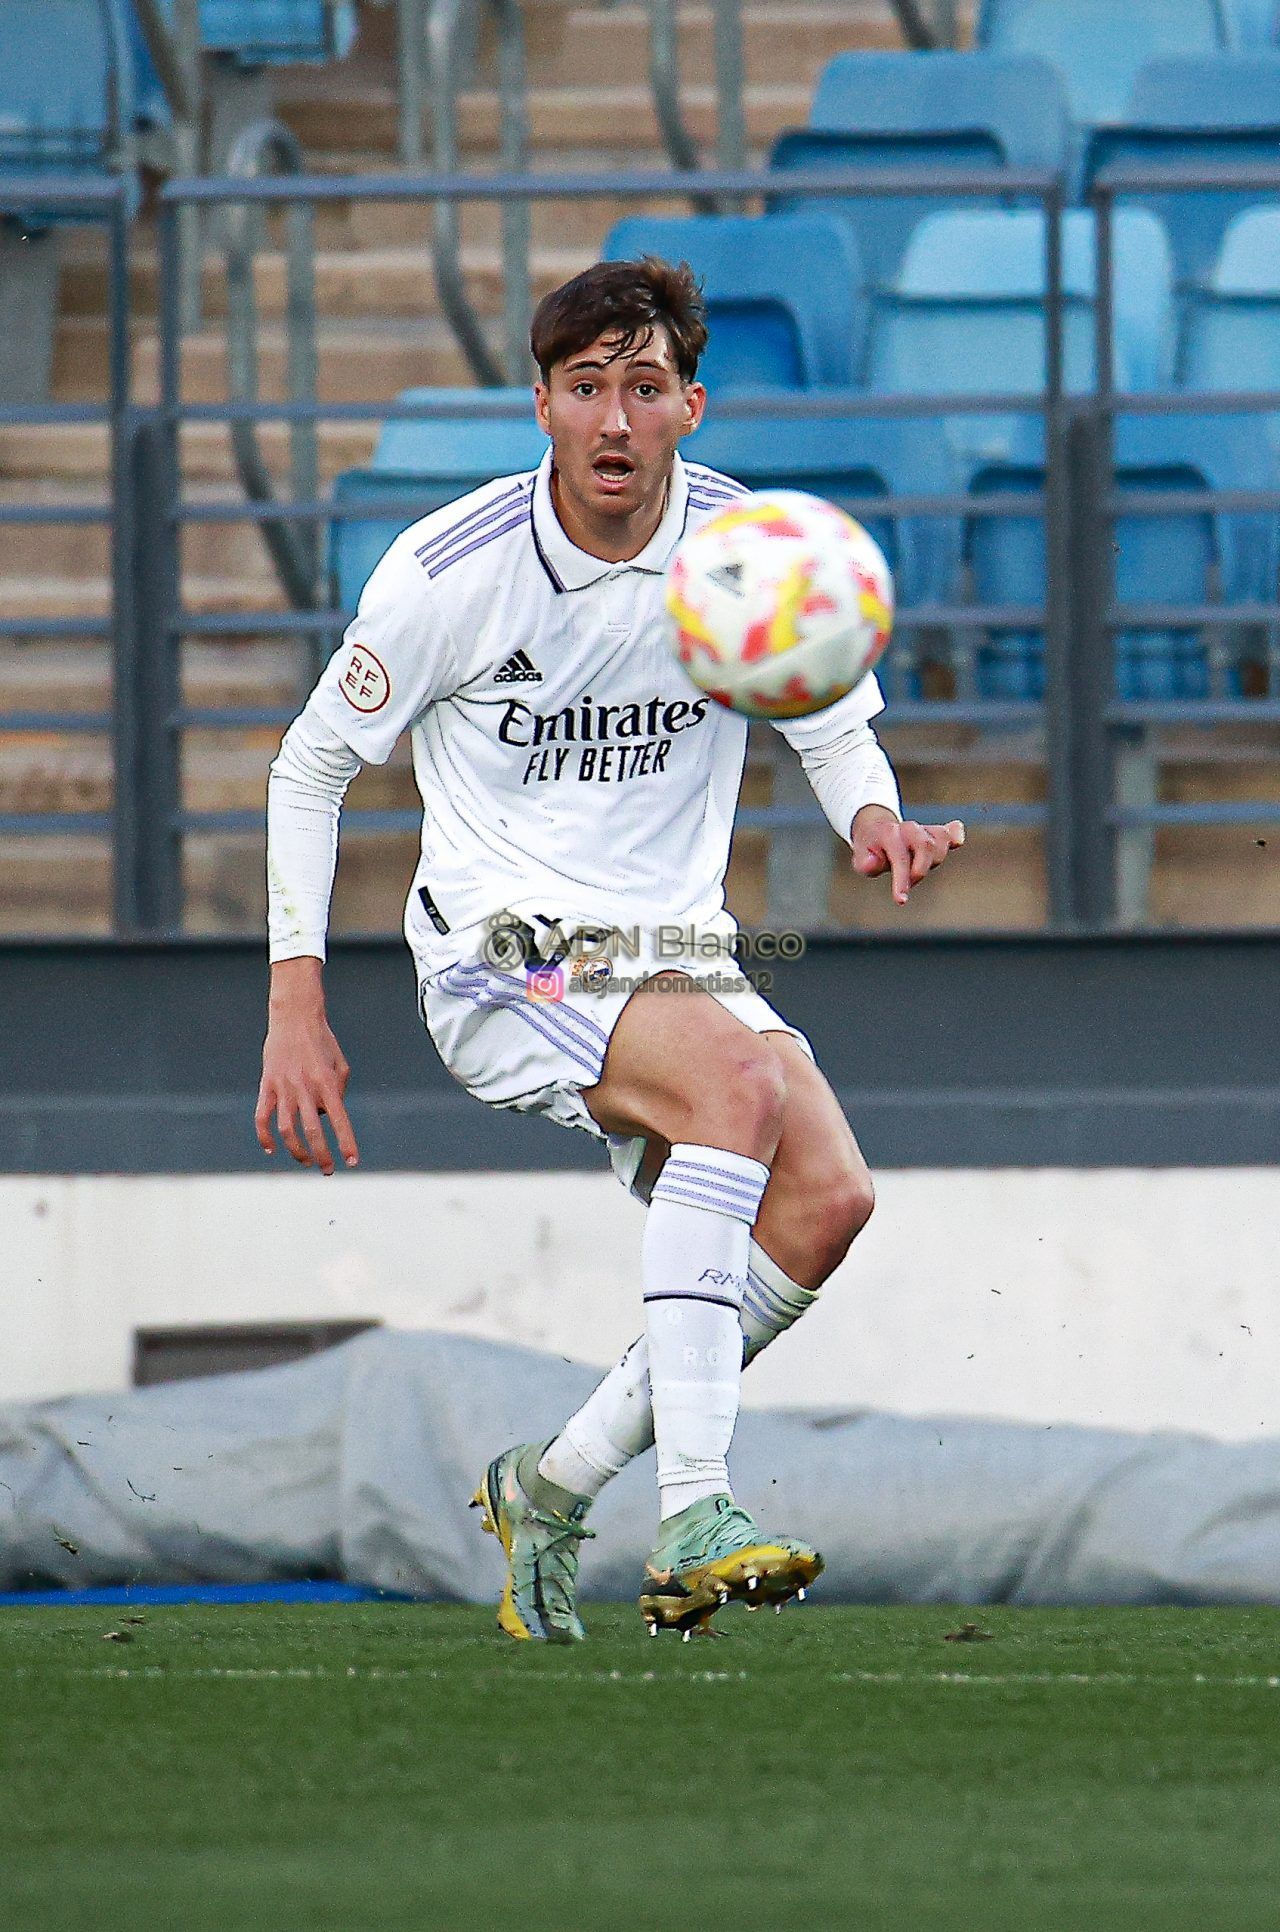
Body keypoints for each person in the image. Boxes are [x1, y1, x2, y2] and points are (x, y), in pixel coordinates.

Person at [256, 257, 964, 1643]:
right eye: (587, 387)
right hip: (499, 946)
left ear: (691, 405)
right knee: (736, 1090)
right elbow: (310, 766)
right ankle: (696, 1510)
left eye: (645, 386)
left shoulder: (744, 546)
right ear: (542, 404)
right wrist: (296, 999)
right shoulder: (450, 572)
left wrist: (873, 816)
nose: (615, 419)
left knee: (827, 1202)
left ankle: (553, 1485)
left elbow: (827, 712)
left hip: (668, 949)